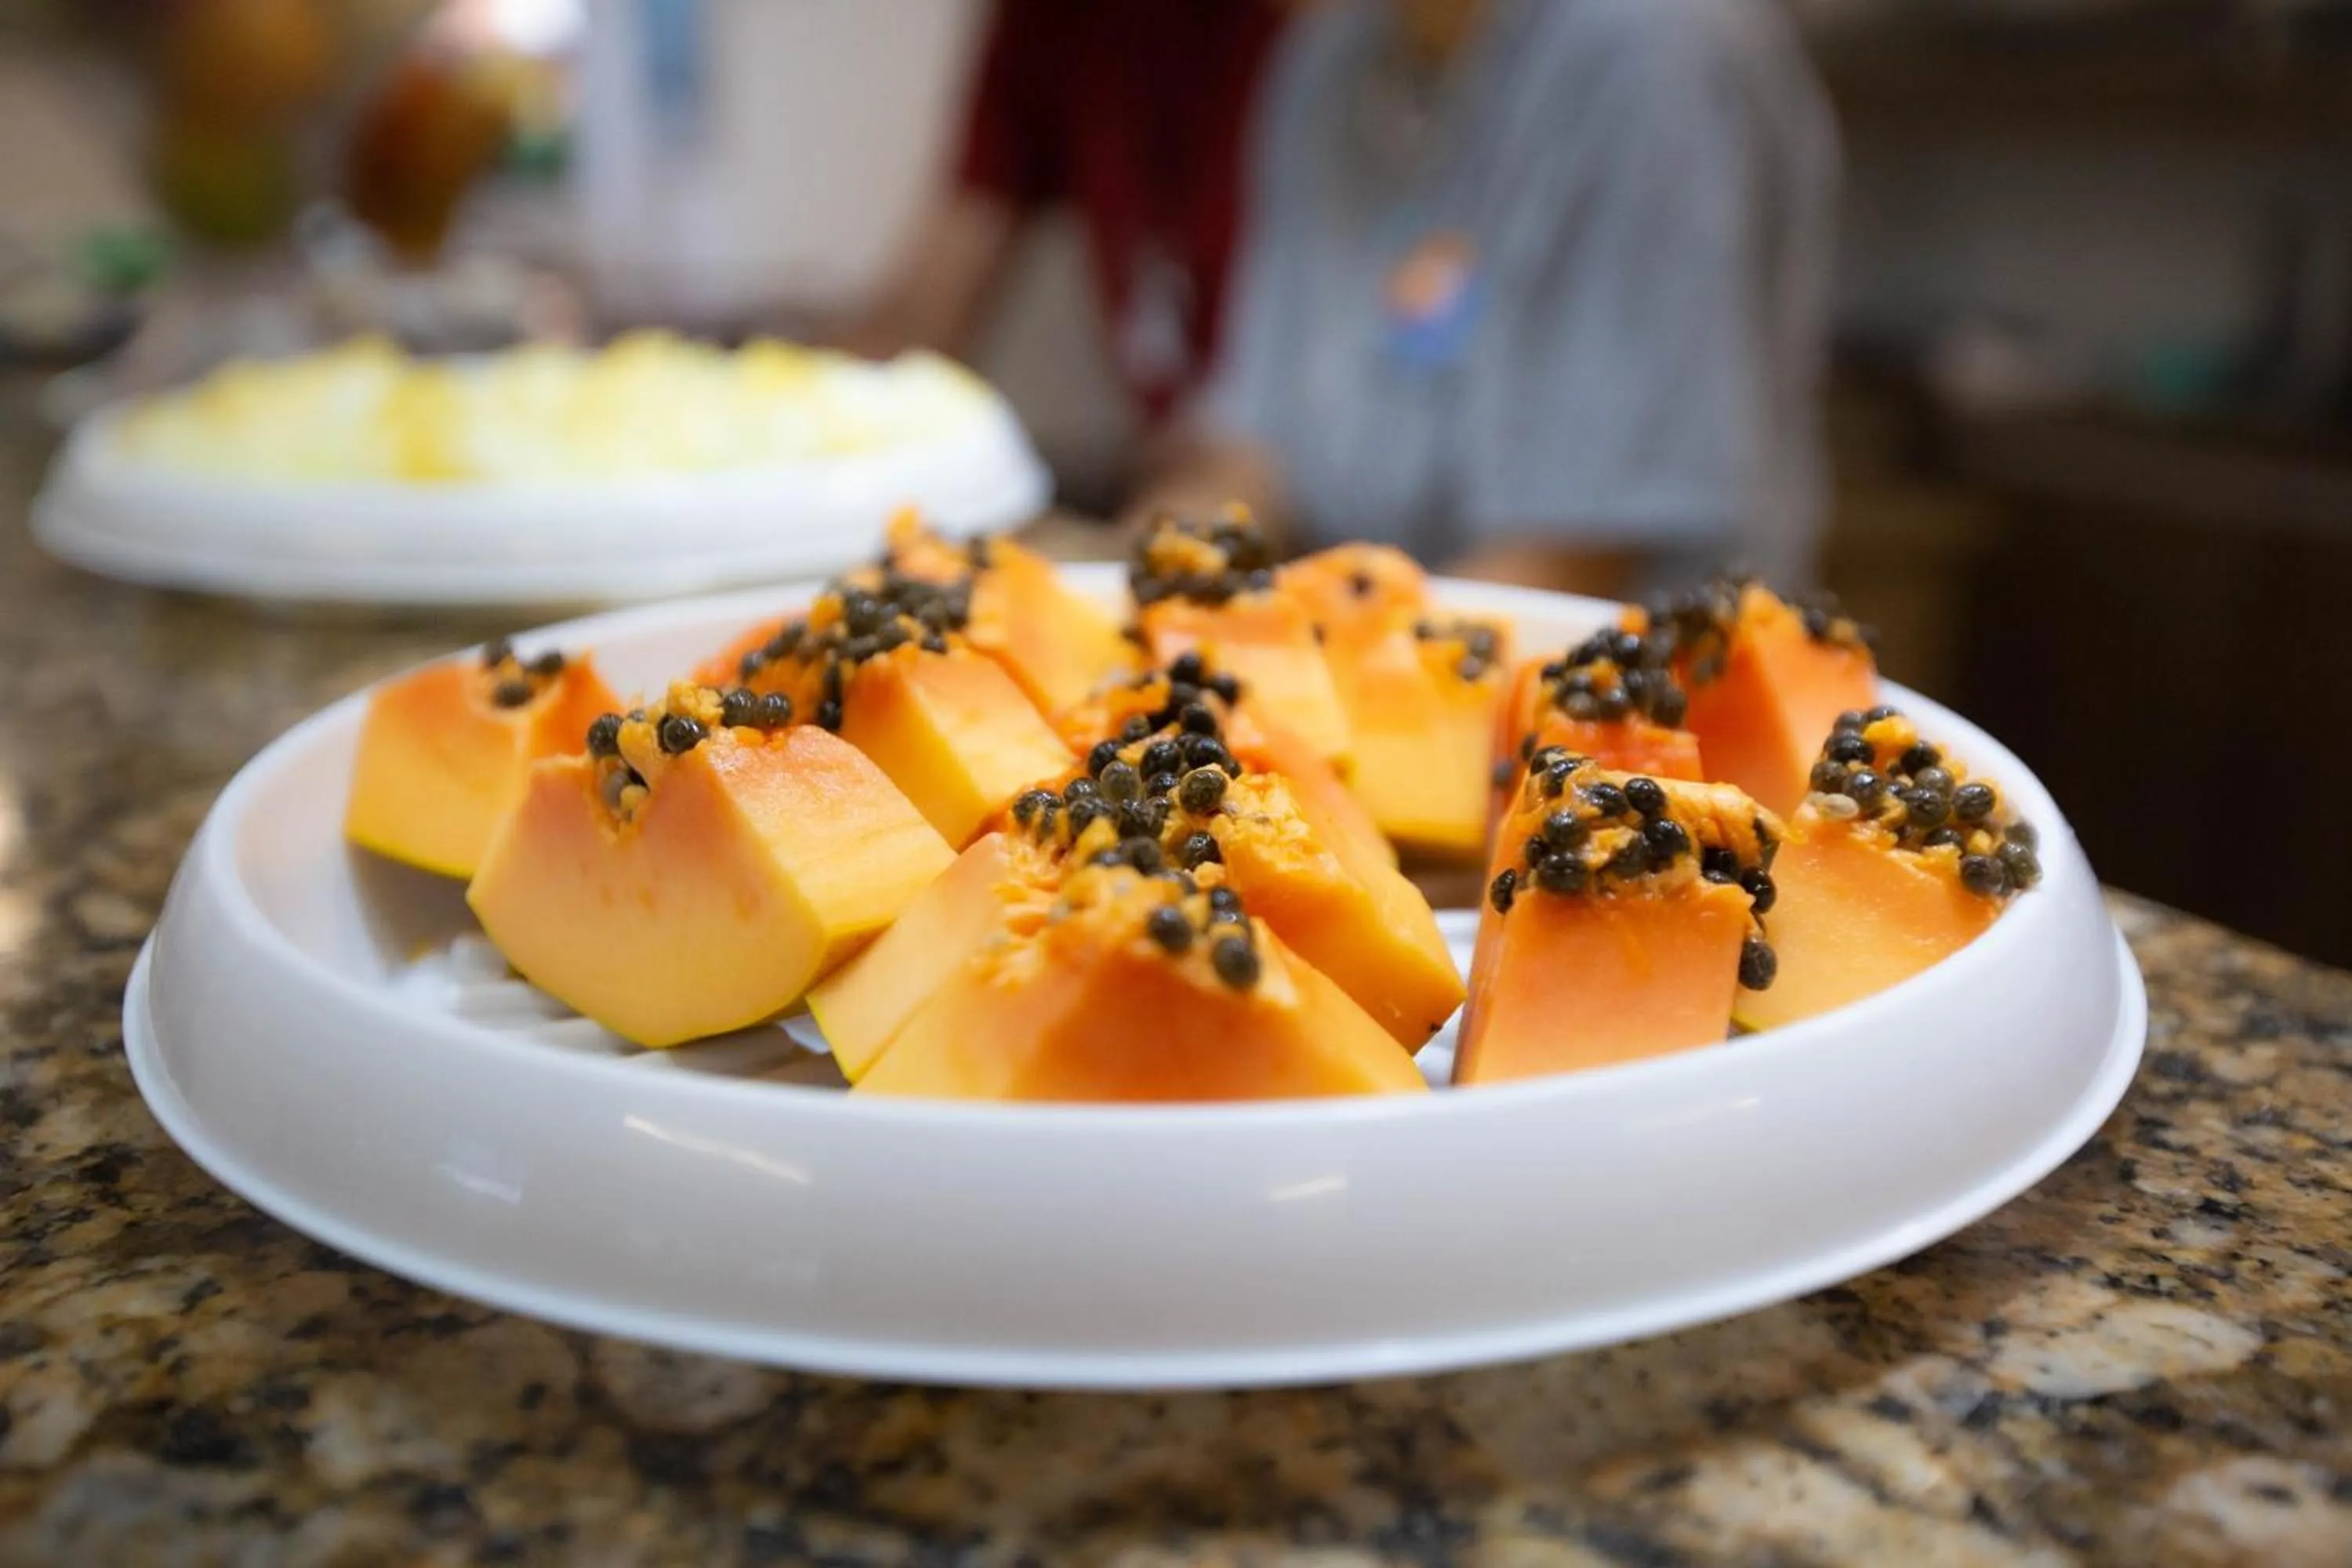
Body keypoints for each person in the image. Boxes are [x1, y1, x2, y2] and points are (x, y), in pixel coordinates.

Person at [1142, 0, 1841, 596]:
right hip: (1375, 640)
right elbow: (1257, 450)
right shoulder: (1330, 57)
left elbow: (1577, 558)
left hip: (1627, 706)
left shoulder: (1654, 54)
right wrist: (1154, 568)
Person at [844, 0, 1289, 430]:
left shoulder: (1322, 42)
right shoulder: (1052, 20)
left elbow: (1261, 445)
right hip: (1182, 470)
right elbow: (927, 308)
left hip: (1290, 485)